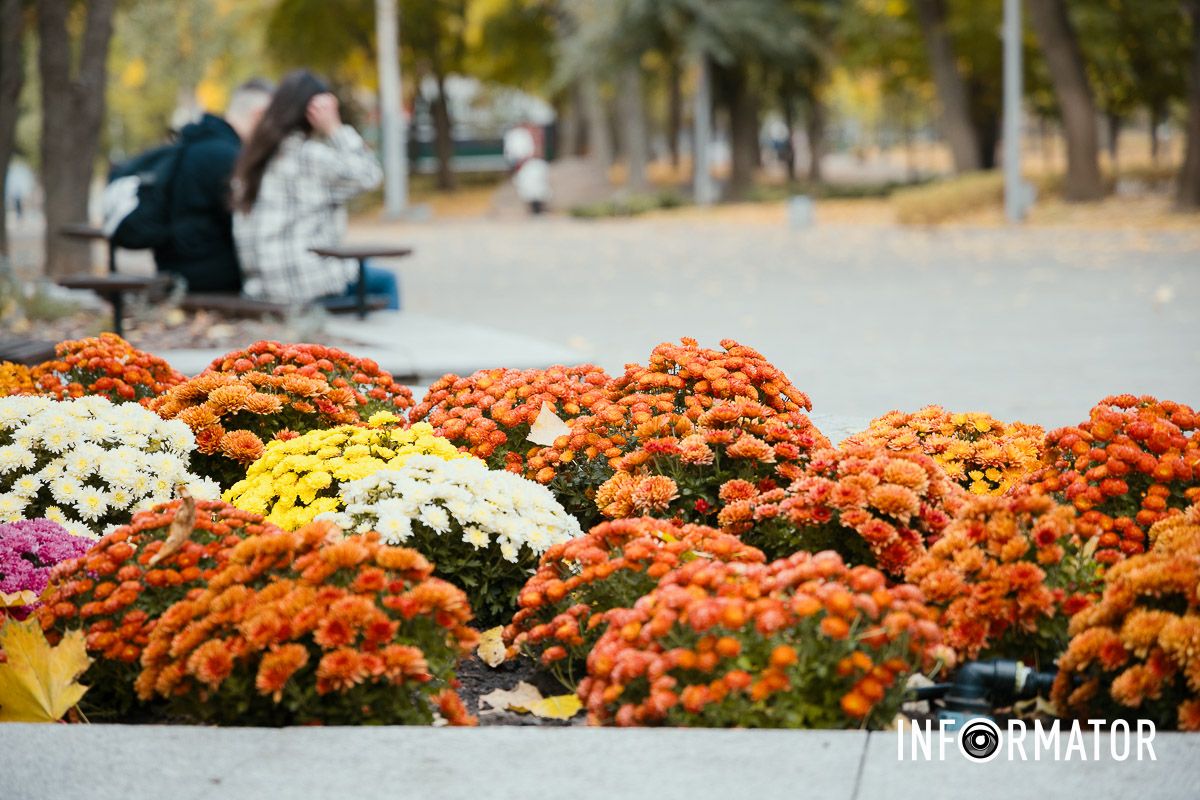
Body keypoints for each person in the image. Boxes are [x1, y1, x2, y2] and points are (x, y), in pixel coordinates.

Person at [231, 70, 397, 308]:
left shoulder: (253, 158)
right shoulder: (309, 157)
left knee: (364, 271)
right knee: (386, 281)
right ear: (313, 112)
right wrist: (335, 128)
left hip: (261, 286)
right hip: (307, 286)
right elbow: (370, 175)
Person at [154, 78, 273, 293]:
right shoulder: (230, 157)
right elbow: (247, 225)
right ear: (259, 115)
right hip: (211, 276)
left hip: (172, 265)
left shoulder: (193, 142)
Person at [503, 123, 550, 215]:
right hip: (524, 165)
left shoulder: (522, 135)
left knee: (536, 188)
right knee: (529, 188)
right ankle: (535, 210)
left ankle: (537, 209)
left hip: (529, 165)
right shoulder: (518, 135)